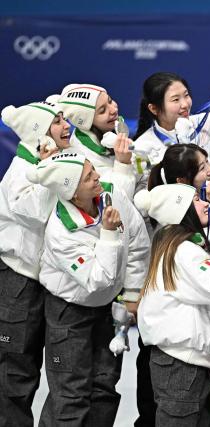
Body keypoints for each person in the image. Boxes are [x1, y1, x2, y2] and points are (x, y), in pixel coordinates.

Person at [28, 153, 149, 426]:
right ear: (71, 192)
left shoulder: (111, 194)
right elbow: (99, 278)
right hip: (69, 314)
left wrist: (131, 293)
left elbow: (139, 243)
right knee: (71, 395)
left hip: (107, 308)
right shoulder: (61, 232)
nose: (97, 176)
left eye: (93, 169)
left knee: (105, 388)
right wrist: (108, 233)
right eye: (88, 176)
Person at [134, 184, 210, 426]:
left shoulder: (181, 246)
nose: (205, 204)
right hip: (180, 365)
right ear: (179, 210)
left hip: (187, 363)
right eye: (196, 200)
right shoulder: (183, 251)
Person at [0, 100, 70, 426]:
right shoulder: (19, 175)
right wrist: (49, 171)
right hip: (18, 282)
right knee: (15, 374)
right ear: (39, 134)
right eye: (57, 122)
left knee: (47, 373)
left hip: (46, 283)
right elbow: (41, 211)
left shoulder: (54, 165)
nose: (66, 126)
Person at [54, 83, 137, 200]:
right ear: (88, 123)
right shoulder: (82, 159)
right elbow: (114, 201)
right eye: (102, 111)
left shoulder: (115, 128)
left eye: (110, 100)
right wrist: (123, 164)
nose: (113, 110)